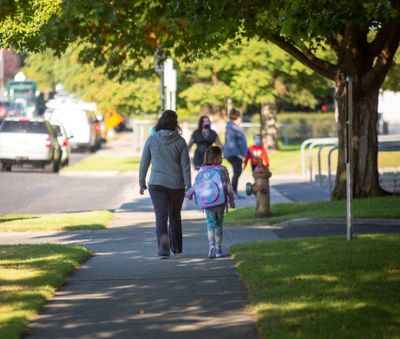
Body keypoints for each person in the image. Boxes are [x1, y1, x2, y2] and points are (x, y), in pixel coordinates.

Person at [139, 110, 191, 259]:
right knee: (174, 215)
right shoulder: (180, 142)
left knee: (161, 216)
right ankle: (177, 247)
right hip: (176, 185)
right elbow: (185, 166)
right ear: (175, 123)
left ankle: (163, 248)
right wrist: (188, 185)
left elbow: (144, 163)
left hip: (156, 184)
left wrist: (141, 182)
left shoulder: (151, 140)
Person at [185, 146, 235, 258]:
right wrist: (231, 201)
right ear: (217, 158)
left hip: (207, 203)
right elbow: (229, 186)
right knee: (219, 225)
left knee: (210, 224)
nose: (221, 158)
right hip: (220, 202)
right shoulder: (222, 169)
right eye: (220, 156)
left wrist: (188, 194)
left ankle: (211, 245)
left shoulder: (202, 170)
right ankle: (218, 250)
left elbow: (196, 185)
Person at [223, 108, 247, 199]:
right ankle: (232, 192)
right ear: (237, 117)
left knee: (237, 172)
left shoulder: (235, 127)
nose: (241, 119)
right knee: (237, 171)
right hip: (233, 154)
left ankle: (233, 192)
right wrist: (238, 154)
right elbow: (231, 142)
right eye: (241, 117)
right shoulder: (231, 127)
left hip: (237, 154)